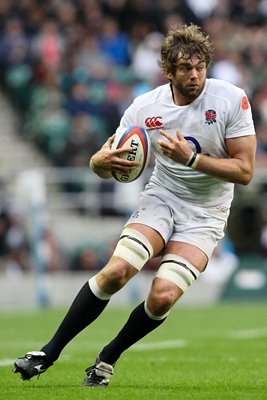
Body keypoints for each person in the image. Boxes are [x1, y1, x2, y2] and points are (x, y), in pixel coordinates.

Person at [13, 24, 256, 387]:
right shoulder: (145, 107)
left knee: (163, 296)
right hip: (162, 197)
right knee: (117, 271)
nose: (195, 75)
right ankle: (49, 351)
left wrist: (191, 160)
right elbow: (104, 164)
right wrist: (100, 162)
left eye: (200, 66)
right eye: (185, 68)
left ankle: (107, 358)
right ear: (168, 71)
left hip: (207, 212)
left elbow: (245, 170)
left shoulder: (230, 99)